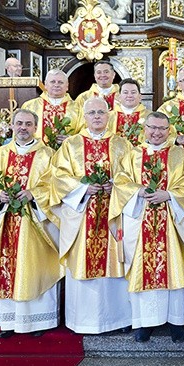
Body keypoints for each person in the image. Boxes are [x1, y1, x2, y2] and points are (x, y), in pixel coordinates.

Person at [49, 97, 132, 334]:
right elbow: (58, 176)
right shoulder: (71, 144)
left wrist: (114, 185)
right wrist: (84, 188)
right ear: (84, 117)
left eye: (101, 112)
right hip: (82, 212)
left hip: (112, 213)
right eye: (92, 113)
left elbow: (131, 175)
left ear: (109, 116)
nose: (97, 117)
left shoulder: (121, 144)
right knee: (84, 263)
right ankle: (83, 322)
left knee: (114, 263)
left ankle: (118, 319)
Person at [110, 111, 184, 343]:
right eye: (152, 127)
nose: (157, 132)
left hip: (170, 219)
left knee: (173, 268)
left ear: (170, 131)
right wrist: (138, 191)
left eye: (162, 128)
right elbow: (120, 181)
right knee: (141, 268)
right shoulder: (131, 155)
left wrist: (168, 194)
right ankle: (142, 323)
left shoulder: (180, 155)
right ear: (144, 129)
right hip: (140, 221)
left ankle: (176, 322)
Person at [0, 109, 61, 338]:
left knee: (35, 267)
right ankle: (9, 322)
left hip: (35, 225)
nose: (23, 128)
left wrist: (33, 194)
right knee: (6, 268)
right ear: (11, 125)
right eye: (19, 123)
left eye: (28, 124)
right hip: (5, 222)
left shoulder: (48, 155)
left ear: (35, 127)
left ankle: (39, 322)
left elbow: (55, 186)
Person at [21, 69, 81, 148]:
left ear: (67, 86)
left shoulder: (78, 108)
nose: (56, 85)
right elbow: (20, 131)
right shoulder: (29, 106)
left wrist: (72, 140)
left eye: (60, 82)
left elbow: (85, 132)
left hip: (66, 155)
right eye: (52, 82)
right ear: (45, 85)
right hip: (36, 154)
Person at [109, 78, 149, 146]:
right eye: (125, 92)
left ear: (140, 97)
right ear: (119, 96)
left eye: (133, 92)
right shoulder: (109, 117)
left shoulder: (149, 116)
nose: (129, 95)